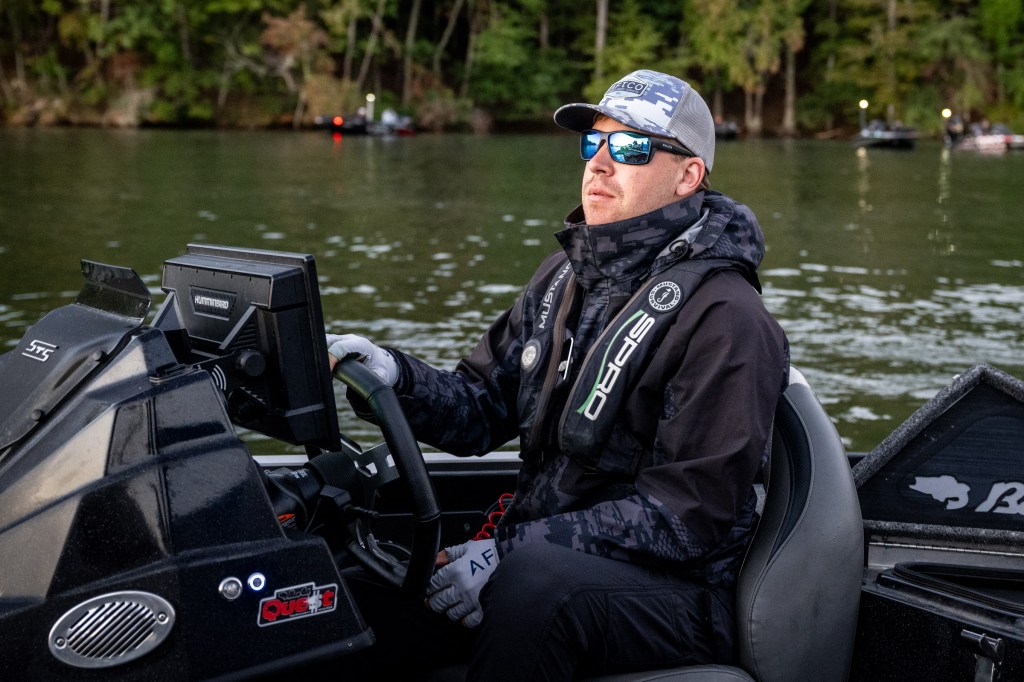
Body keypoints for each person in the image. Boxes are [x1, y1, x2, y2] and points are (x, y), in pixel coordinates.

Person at [327, 69, 789, 680]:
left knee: (534, 591)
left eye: (631, 147)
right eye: (594, 142)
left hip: (683, 594)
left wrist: (506, 553)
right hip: (542, 555)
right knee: (347, 596)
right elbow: (477, 410)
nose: (600, 162)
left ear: (688, 176)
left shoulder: (728, 317)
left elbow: (688, 516)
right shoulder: (562, 276)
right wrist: (391, 374)